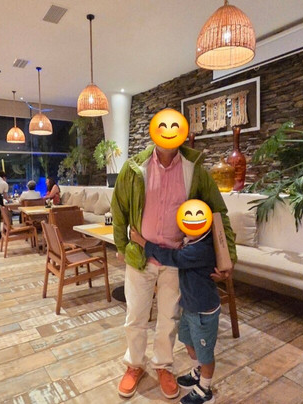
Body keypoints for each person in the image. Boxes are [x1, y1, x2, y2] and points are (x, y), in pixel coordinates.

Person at [111, 108, 236, 399]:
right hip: (140, 257)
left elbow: (218, 212)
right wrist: (121, 247)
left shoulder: (195, 170)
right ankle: (134, 364)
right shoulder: (134, 168)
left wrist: (227, 256)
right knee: (135, 315)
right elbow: (119, 210)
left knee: (169, 318)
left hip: (178, 260)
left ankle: (162, 365)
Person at [130, 199, 224, 404]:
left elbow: (172, 257)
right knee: (188, 341)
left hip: (203, 312)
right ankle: (198, 371)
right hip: (190, 307)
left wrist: (143, 242)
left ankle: (205, 390)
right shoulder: (192, 241)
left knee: (205, 353)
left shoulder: (200, 249)